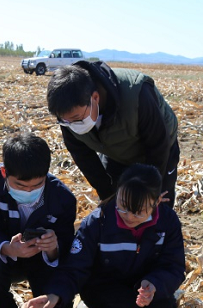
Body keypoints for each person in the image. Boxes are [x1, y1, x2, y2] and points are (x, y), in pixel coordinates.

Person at [24, 164, 185, 308]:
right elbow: (75, 267)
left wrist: (154, 284)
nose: (129, 216)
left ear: (157, 201)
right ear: (117, 192)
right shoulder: (97, 222)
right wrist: (55, 295)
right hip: (103, 285)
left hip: (142, 283)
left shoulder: (167, 221)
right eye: (123, 205)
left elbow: (174, 265)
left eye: (139, 211)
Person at [46, 61, 180, 207]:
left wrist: (150, 189)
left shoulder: (137, 93)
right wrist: (107, 195)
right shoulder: (68, 116)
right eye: (66, 121)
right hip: (115, 153)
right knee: (116, 205)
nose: (72, 125)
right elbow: (83, 156)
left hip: (160, 150)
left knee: (155, 205)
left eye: (78, 119)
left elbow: (157, 143)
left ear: (95, 98)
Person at [0, 132, 76, 308]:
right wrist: (7, 248)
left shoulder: (62, 198)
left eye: (37, 185)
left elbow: (67, 243)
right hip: (8, 258)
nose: (29, 191)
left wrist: (53, 248)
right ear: (4, 172)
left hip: (42, 263)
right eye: (20, 186)